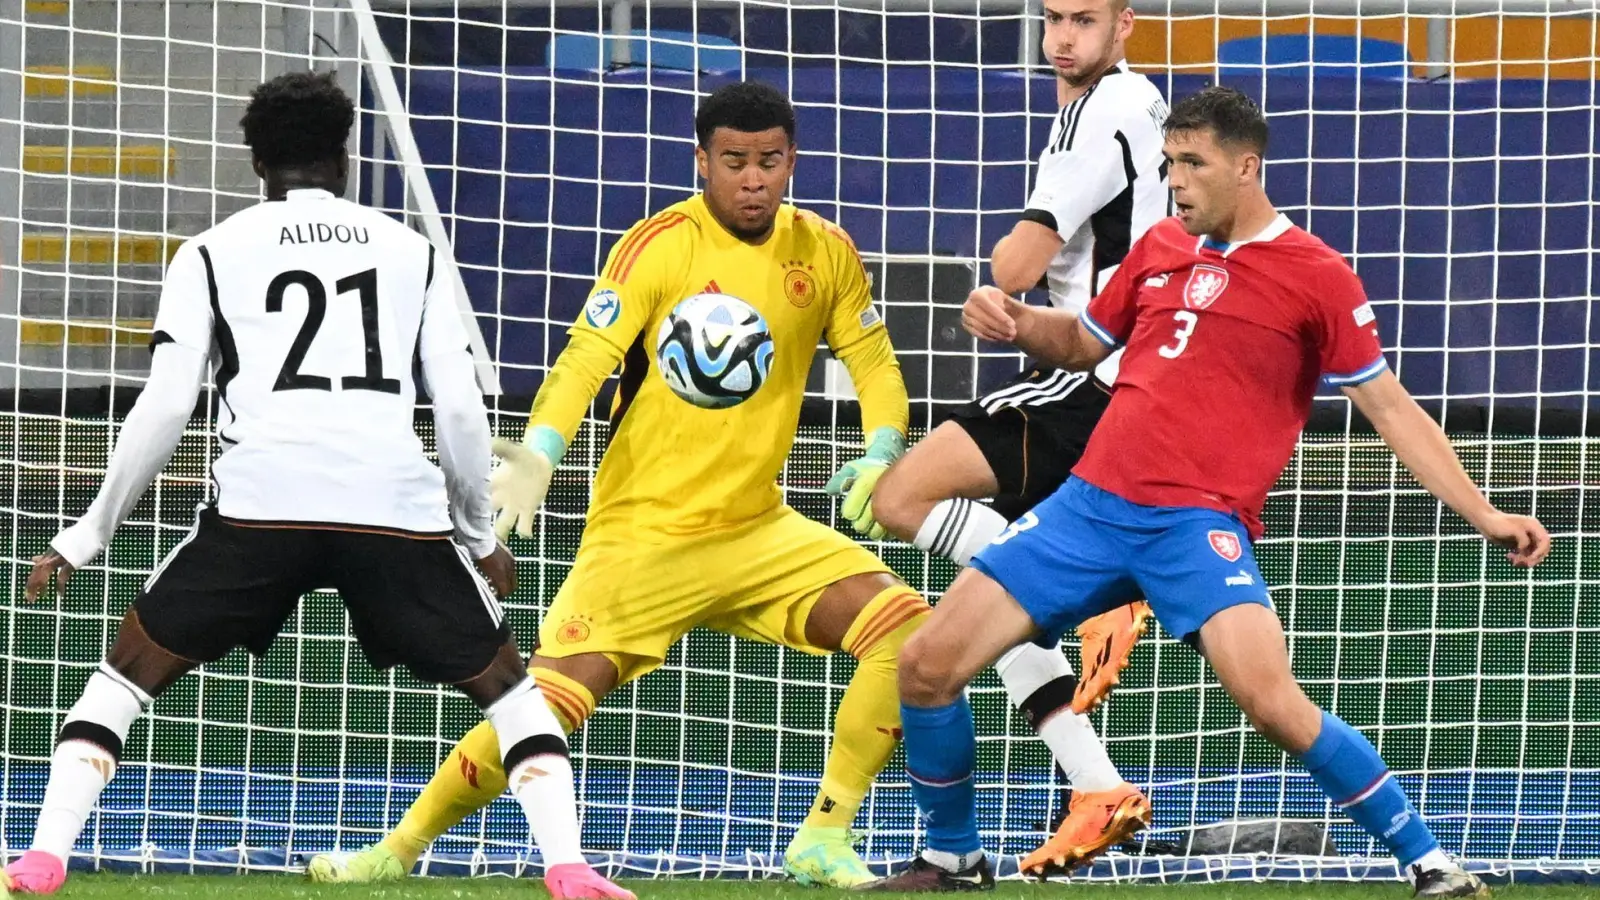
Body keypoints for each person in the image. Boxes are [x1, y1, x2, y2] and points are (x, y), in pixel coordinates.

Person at [862, 86, 1549, 896]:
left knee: (1273, 704)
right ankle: (952, 858)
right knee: (926, 664)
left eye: (1192, 163)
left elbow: (1392, 409)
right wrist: (1016, 320)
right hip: (1087, 508)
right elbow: (1082, 344)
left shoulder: (1317, 277)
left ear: (1246, 167)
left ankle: (1432, 863)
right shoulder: (1156, 247)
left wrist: (1486, 512)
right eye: (1169, 163)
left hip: (1195, 527)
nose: (1176, 180)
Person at [2, 73, 630, 900]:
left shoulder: (211, 252)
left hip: (262, 508)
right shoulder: (414, 252)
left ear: (255, 159)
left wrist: (85, 534)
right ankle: (569, 867)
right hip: (392, 512)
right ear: (344, 157)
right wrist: (479, 534)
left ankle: (42, 859)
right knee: (511, 689)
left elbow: (164, 404)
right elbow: (459, 409)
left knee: (124, 673)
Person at [306, 81, 927, 889]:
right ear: (701, 160)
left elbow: (873, 361)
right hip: (643, 537)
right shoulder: (658, 245)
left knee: (905, 628)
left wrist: (884, 447)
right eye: (733, 161)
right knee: (547, 703)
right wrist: (537, 452)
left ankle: (823, 835)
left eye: (769, 162)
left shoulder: (825, 250)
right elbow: (586, 360)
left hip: (758, 529)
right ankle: (398, 850)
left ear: (792, 161)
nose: (752, 180)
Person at [845, 0, 1170, 873]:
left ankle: (1101, 599)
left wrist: (1000, 296)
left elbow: (1017, 263)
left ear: (1125, 23)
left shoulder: (1103, 110)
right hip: (1116, 379)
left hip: (1092, 380)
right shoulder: (1134, 105)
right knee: (997, 612)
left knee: (902, 494)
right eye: (1053, 19)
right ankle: (1096, 784)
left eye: (1084, 20)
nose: (1063, 37)